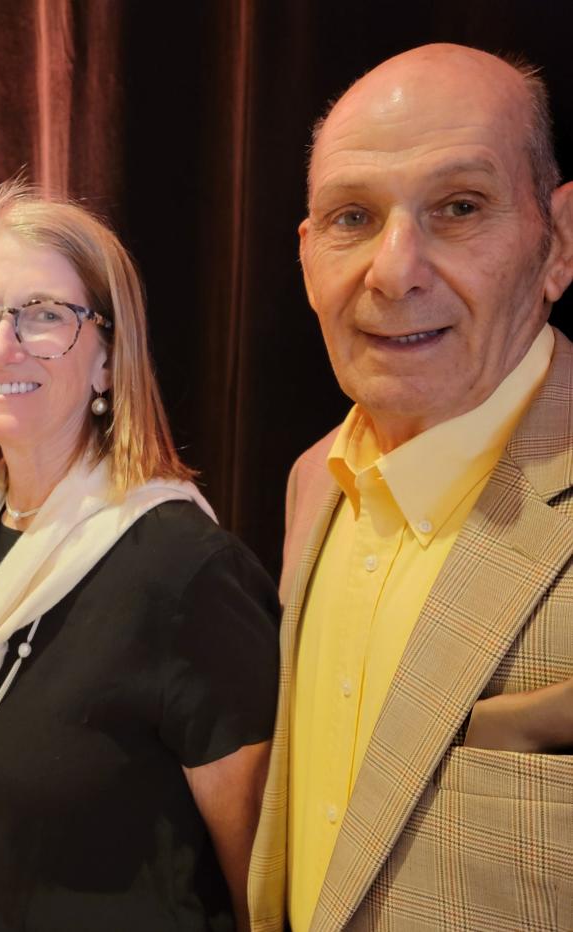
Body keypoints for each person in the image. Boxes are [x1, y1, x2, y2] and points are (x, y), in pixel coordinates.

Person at [0, 182, 280, 932]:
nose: (1, 345)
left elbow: (262, 886)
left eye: (43, 317)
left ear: (107, 358)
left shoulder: (184, 571)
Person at [248, 44, 573, 932]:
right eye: (353, 217)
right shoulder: (313, 481)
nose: (394, 270)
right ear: (309, 257)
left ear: (560, 242)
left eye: (459, 207)